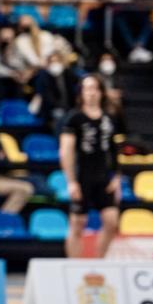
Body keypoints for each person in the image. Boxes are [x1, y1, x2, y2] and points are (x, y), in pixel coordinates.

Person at [61, 74, 121, 259]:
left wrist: (117, 177)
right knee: (78, 223)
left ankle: (99, 260)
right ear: (81, 93)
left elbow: (113, 150)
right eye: (87, 89)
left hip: (103, 177)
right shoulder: (74, 118)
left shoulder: (109, 119)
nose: (91, 93)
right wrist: (71, 181)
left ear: (101, 92)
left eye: (95, 88)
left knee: (112, 222)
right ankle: (74, 267)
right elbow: (66, 151)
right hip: (82, 177)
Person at [31, 52, 78, 127]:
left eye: (57, 61)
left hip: (69, 108)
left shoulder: (68, 74)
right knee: (58, 116)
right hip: (50, 111)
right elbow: (46, 97)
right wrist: (59, 107)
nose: (55, 64)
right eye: (52, 62)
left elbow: (74, 91)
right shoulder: (43, 77)